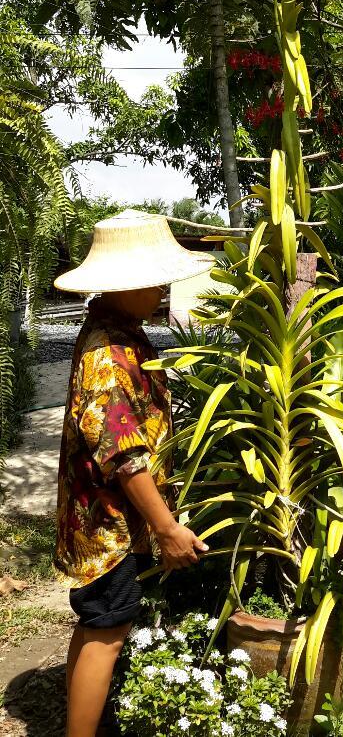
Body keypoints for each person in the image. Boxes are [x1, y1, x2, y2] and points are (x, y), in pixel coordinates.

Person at [53, 210, 210, 737]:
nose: (162, 287)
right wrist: (166, 527)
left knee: (98, 621)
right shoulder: (110, 353)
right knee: (109, 628)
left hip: (108, 520)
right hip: (110, 526)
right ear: (120, 284)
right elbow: (123, 454)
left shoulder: (119, 332)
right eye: (152, 277)